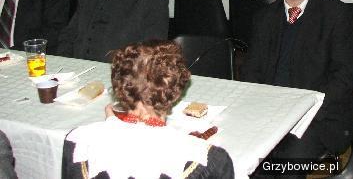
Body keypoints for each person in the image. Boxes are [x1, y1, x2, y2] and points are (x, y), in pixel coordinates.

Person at [241, 0, 353, 168]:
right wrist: (262, 105)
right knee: (242, 149)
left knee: (286, 159)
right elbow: (251, 70)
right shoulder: (265, 18)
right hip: (271, 110)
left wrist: (302, 109)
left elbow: (345, 77)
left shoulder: (335, 14)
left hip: (319, 115)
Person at [62, 40, 234, 179]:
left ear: (119, 87)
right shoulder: (209, 159)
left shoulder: (78, 141)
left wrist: (112, 123)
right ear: (175, 92)